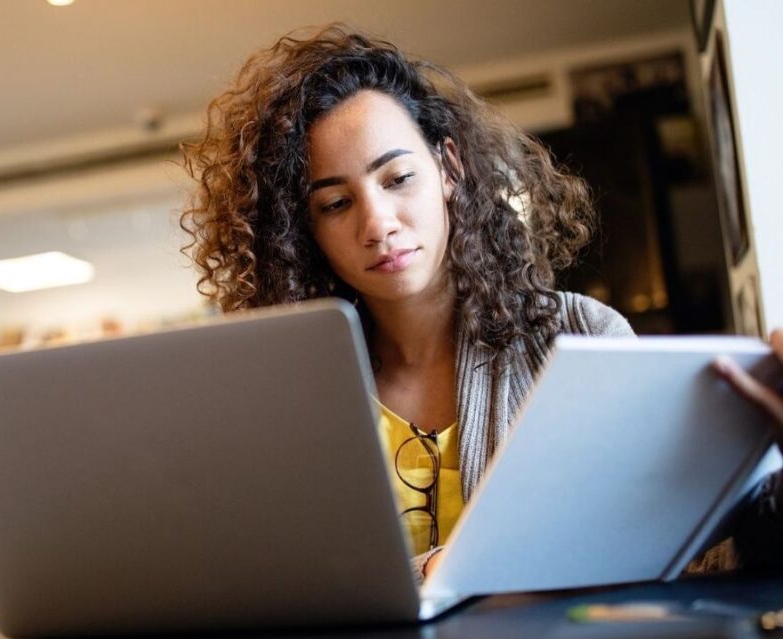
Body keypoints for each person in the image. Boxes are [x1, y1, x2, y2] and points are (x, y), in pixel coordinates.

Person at [179, 24, 780, 580]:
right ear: (302, 230)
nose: (378, 223)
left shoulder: (579, 338)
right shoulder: (288, 392)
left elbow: (683, 557)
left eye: (398, 179)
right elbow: (273, 581)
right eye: (336, 204)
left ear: (449, 168)